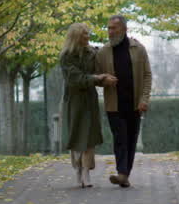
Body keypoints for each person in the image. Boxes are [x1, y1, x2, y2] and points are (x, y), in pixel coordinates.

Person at [94, 14, 151, 188]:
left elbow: (147, 75)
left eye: (114, 28)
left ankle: (125, 175)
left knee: (131, 140)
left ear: (124, 29)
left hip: (134, 104)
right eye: (108, 28)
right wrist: (104, 79)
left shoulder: (138, 49)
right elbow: (95, 77)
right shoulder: (103, 52)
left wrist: (144, 99)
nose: (110, 32)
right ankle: (121, 174)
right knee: (120, 139)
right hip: (114, 105)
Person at [59, 22, 114, 188]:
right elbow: (75, 79)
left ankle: (86, 171)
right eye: (84, 34)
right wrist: (97, 78)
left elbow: (101, 64)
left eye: (88, 34)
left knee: (89, 138)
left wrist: (103, 79)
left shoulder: (92, 53)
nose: (88, 37)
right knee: (76, 137)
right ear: (76, 37)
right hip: (74, 101)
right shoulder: (66, 56)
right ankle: (77, 168)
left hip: (89, 100)